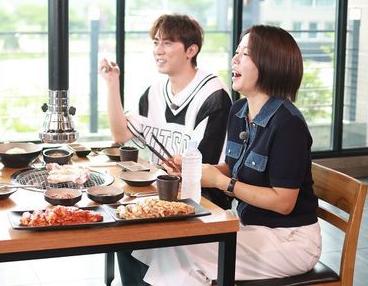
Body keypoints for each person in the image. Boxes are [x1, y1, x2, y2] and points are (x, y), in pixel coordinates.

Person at [131, 25, 322, 285]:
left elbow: (283, 202)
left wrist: (223, 183)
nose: (235, 59)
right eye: (237, 51)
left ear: (271, 63)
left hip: (290, 240)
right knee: (155, 243)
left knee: (181, 249)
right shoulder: (240, 110)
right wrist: (194, 169)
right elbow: (233, 168)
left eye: (246, 53)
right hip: (248, 227)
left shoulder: (288, 123)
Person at [99, 14, 232, 285]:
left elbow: (205, 171)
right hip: (162, 194)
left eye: (167, 43)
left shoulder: (213, 96)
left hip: (203, 199)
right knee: (120, 227)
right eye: (156, 42)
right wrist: (112, 83)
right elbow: (120, 134)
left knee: (131, 231)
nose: (158, 50)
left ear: (191, 50)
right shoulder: (153, 93)